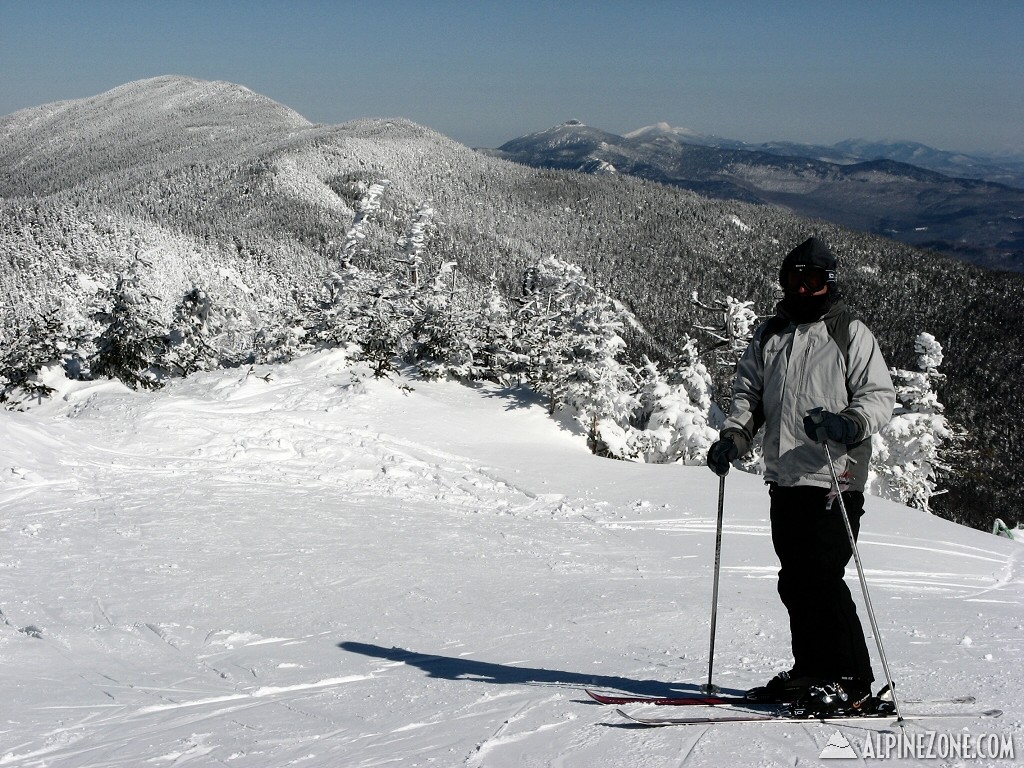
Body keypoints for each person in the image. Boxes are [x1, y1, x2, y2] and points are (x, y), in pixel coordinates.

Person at [706, 236, 896, 714]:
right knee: (795, 579)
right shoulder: (771, 335)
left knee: (821, 577)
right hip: (786, 479)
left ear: (827, 283)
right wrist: (733, 439)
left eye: (812, 278)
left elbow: (878, 396)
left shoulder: (849, 331)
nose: (802, 287)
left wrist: (844, 423)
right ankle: (814, 669)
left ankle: (850, 678)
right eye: (794, 277)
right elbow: (750, 397)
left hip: (836, 477)